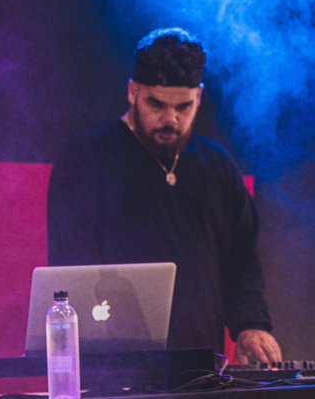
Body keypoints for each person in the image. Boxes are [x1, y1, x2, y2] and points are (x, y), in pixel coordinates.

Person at [47, 27, 282, 364]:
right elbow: (71, 266)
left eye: (183, 107)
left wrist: (251, 325)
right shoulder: (87, 158)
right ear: (133, 92)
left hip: (201, 364)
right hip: (112, 366)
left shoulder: (216, 166)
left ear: (198, 97)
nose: (170, 119)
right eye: (156, 104)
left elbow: (242, 260)